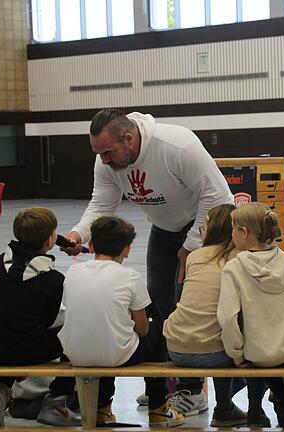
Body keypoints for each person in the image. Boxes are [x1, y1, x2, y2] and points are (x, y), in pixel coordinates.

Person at [61, 109, 234, 408]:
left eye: (108, 152)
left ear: (128, 139)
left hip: (207, 228)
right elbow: (102, 203)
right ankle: (172, 382)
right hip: (165, 229)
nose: (103, 160)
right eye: (98, 153)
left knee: (193, 307)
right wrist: (79, 234)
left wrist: (192, 244)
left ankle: (195, 391)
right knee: (160, 303)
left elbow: (218, 197)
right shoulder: (106, 158)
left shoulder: (178, 145)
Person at [59, 216, 184, 428]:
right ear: (127, 249)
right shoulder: (130, 276)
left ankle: (101, 409)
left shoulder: (72, 271)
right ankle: (158, 407)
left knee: (107, 333)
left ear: (90, 245)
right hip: (115, 354)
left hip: (73, 354)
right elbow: (143, 330)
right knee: (157, 330)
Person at [164, 203, 268, 427]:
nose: (201, 230)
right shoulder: (241, 259)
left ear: (212, 229)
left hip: (175, 349)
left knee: (218, 329)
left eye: (204, 225)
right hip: (213, 352)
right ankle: (251, 408)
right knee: (252, 340)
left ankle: (225, 408)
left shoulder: (195, 256)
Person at [0, 207, 81, 427]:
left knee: (7, 326)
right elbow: (48, 320)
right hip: (25, 351)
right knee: (75, 336)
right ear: (50, 238)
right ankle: (57, 401)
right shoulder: (53, 279)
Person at [217, 202, 284, 427]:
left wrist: (237, 354)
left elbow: (228, 318)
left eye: (233, 228)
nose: (231, 234)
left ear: (244, 232)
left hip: (257, 355)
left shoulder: (233, 268)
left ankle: (281, 399)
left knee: (264, 354)